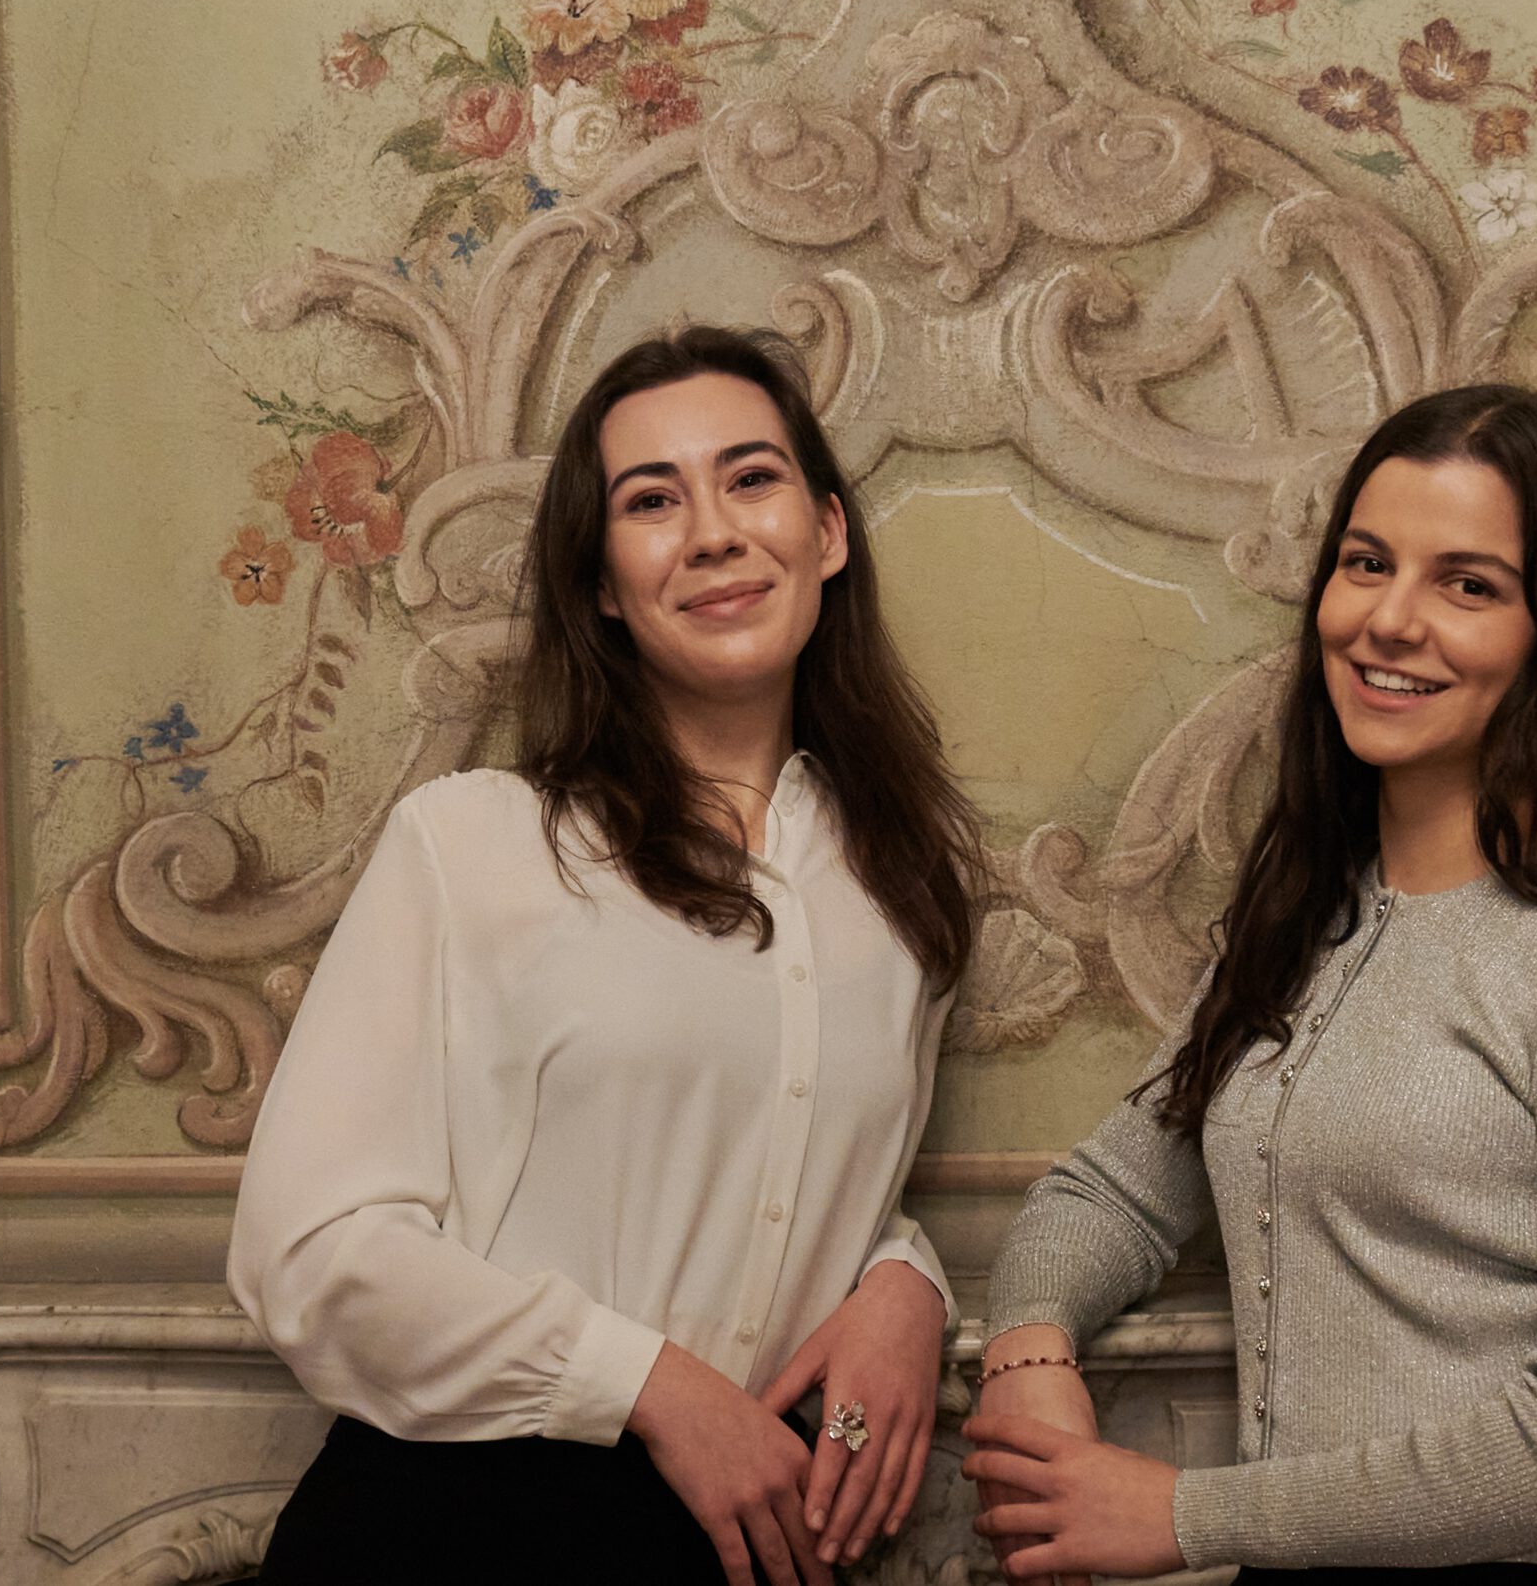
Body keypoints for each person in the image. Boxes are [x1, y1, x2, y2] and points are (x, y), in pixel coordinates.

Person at [231, 325, 984, 1586]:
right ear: (599, 584)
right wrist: (652, 1385)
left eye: (751, 478)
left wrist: (906, 1284)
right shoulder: (472, 844)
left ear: (827, 532)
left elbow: (776, 1163)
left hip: (745, 1552)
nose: (713, 532)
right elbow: (304, 1252)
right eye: (651, 500)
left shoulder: (900, 881)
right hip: (454, 1530)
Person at [960, 385, 1537, 1585]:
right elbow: (1109, 1190)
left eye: (1466, 584)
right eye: (1366, 563)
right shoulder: (1300, 918)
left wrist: (1189, 1515)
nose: (1388, 620)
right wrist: (1028, 1349)